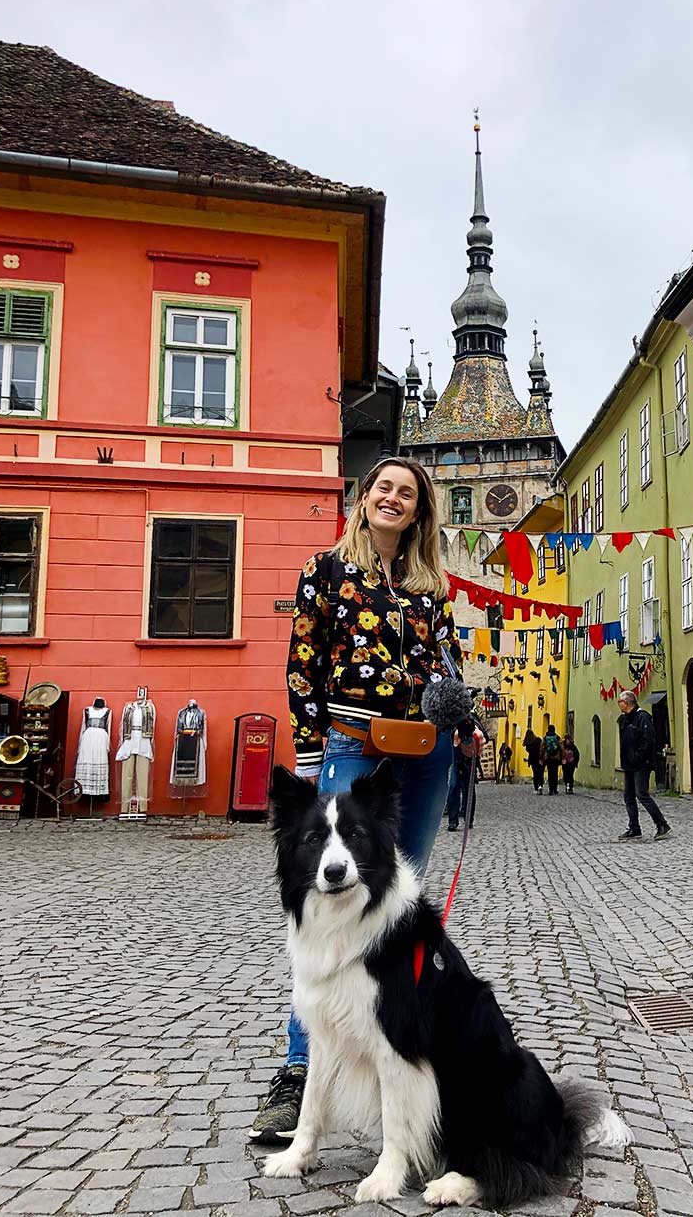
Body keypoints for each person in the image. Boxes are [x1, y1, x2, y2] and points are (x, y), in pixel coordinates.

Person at [250, 455, 461, 1144]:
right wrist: (311, 760)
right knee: (326, 908)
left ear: (419, 509)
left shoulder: (431, 585)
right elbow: (302, 664)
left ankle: (391, 1042)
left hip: (423, 756)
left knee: (393, 903)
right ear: (364, 497)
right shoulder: (326, 569)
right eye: (384, 487)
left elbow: (447, 662)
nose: (393, 498)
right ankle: (299, 1068)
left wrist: (468, 723)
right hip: (350, 742)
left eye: (407, 492)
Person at [617, 690, 671, 842]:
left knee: (642, 794)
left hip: (641, 764)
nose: (618, 705)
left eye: (619, 702)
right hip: (629, 764)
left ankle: (662, 825)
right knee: (628, 796)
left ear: (626, 703)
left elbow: (648, 740)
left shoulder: (642, 717)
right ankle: (634, 828)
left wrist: (638, 757)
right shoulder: (625, 719)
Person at [446, 717, 478, 831]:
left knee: (468, 790)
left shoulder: (472, 720)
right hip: (455, 760)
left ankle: (468, 818)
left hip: (468, 761)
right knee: (453, 787)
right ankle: (453, 820)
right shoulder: (450, 723)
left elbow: (483, 737)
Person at [524, 728, 545, 794]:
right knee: (541, 774)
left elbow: (529, 751)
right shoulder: (539, 740)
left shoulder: (528, 744)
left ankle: (536, 788)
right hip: (541, 759)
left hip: (533, 760)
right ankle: (540, 786)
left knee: (535, 774)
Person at [543, 726, 562, 796]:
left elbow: (542, 747)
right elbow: (561, 747)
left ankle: (550, 789)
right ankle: (555, 789)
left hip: (548, 758)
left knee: (550, 774)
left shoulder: (545, 738)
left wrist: (541, 757)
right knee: (555, 773)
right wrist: (562, 757)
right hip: (556, 758)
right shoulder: (557, 737)